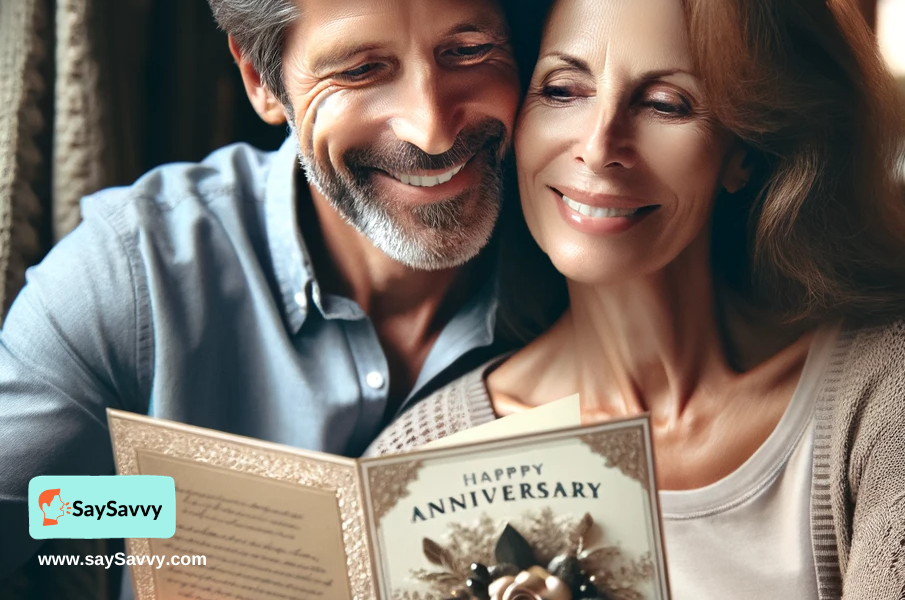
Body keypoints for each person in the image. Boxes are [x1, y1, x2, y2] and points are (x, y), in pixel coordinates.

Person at [365, 0, 905, 597]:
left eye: (668, 104)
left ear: (744, 155)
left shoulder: (904, 383)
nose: (599, 145)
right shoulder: (419, 466)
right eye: (562, 90)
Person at [0, 0, 532, 582]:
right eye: (359, 70)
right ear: (262, 80)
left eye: (468, 51)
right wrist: (165, 510)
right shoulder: (130, 271)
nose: (431, 128)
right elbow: (39, 511)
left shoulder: (588, 270)